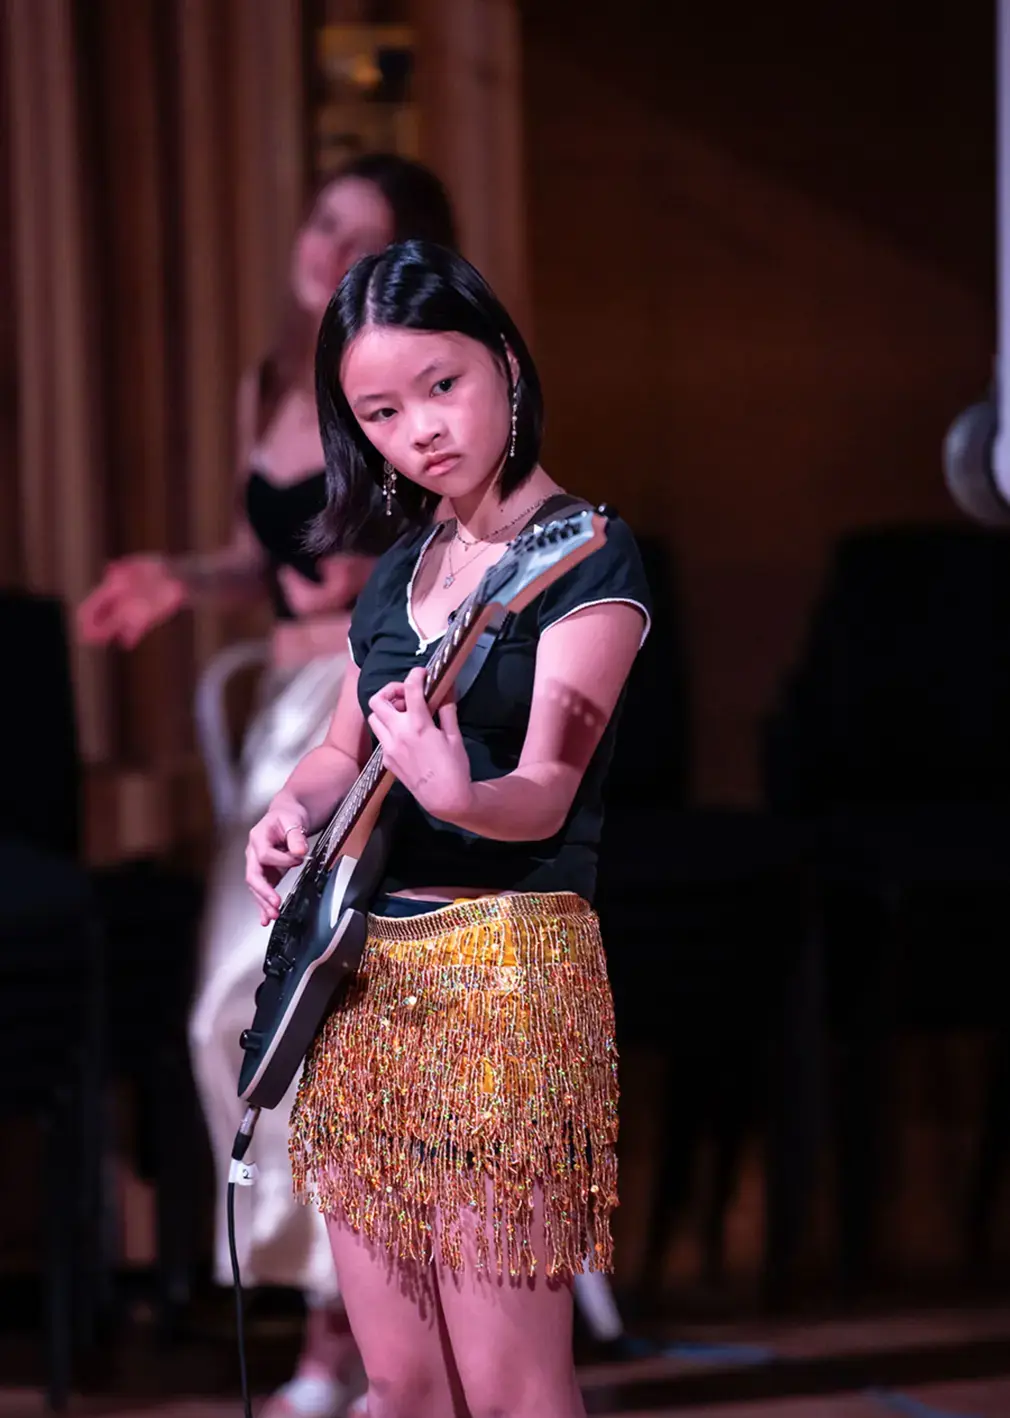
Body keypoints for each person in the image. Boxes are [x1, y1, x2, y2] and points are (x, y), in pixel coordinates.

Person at [77, 158, 458, 1418]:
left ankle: (343, 1339)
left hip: (373, 703)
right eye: (319, 217)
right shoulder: (267, 374)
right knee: (227, 1020)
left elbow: (436, 535)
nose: (326, 242)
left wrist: (361, 580)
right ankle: (327, 1314)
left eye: (361, 228)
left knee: (320, 1008)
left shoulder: (411, 371)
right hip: (282, 722)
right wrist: (185, 579)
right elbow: (267, 560)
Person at [245, 239, 651, 1418]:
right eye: (380, 409)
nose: (418, 427)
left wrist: (452, 789)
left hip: (503, 982)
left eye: (442, 385)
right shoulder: (399, 573)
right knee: (405, 1380)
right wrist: (289, 808)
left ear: (506, 368)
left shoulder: (583, 554)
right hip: (364, 985)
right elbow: (337, 750)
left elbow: (543, 790)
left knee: (515, 1381)